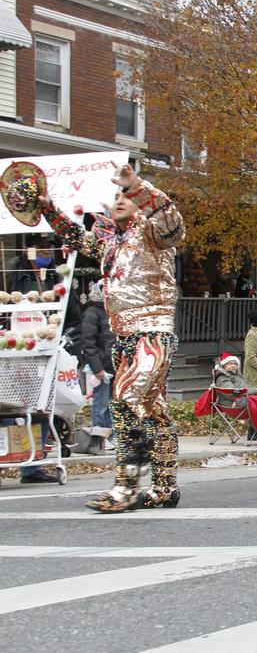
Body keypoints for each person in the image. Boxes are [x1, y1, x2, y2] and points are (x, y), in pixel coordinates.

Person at [38, 164, 185, 511]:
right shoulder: (110, 242)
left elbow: (171, 219)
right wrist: (46, 208)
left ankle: (127, 485)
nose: (118, 200)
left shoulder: (154, 233)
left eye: (125, 197)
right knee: (154, 411)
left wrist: (136, 185)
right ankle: (165, 486)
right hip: (123, 338)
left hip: (152, 334)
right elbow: (75, 237)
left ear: (138, 203)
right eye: (116, 195)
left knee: (124, 400)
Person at [80, 280, 114, 433]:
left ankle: (111, 435)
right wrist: (97, 368)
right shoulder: (92, 312)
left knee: (113, 404)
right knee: (101, 403)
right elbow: (88, 343)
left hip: (116, 364)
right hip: (102, 366)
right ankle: (100, 435)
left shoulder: (114, 311)